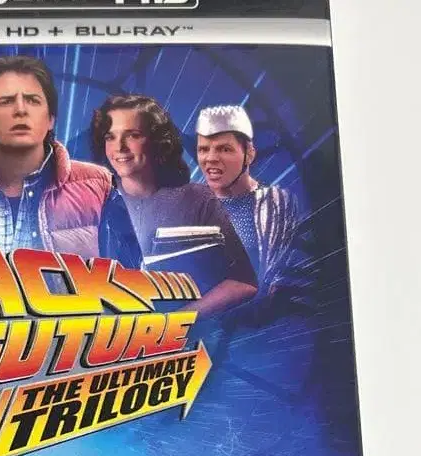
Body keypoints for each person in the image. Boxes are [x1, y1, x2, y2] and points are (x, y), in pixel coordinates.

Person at [0, 56, 141, 269]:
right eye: (6, 101)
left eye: (33, 100)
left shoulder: (98, 186)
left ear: (50, 119)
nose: (21, 110)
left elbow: (131, 277)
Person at [91, 94, 257, 318]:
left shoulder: (196, 199)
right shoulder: (95, 203)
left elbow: (243, 282)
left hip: (186, 335)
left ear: (157, 141)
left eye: (133, 135)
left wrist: (178, 321)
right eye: (110, 137)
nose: (119, 147)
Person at [195, 105, 301, 303]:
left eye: (224, 149)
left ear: (249, 154)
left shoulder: (273, 203)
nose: (211, 158)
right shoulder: (192, 204)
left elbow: (277, 282)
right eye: (203, 149)